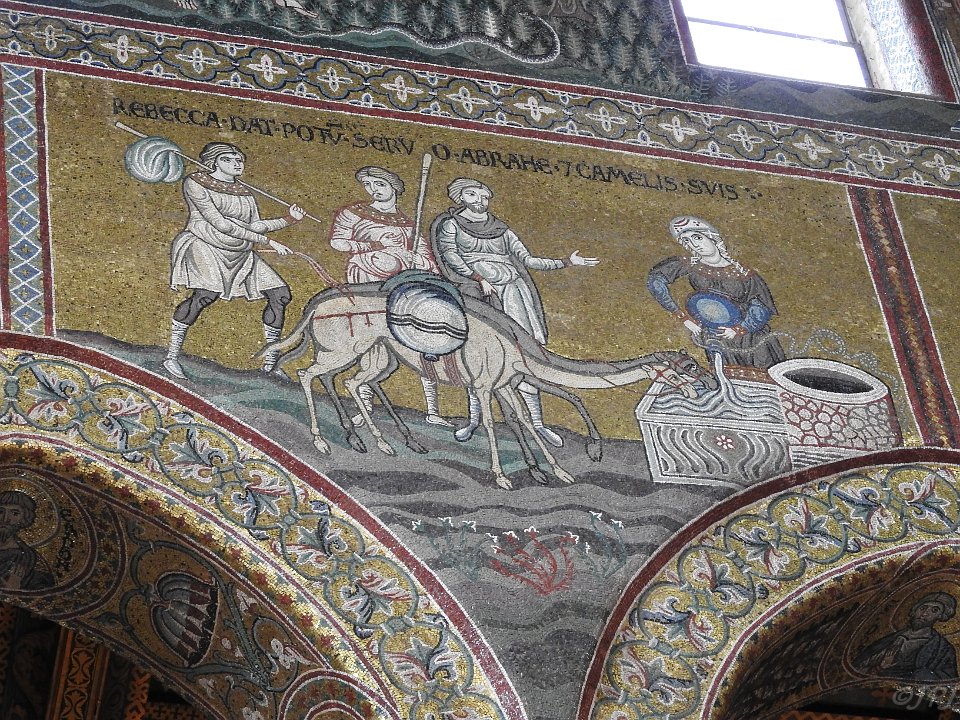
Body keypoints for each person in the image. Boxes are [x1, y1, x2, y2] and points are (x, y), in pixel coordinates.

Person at [431, 177, 599, 447]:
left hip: (513, 292)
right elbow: (450, 255)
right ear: (460, 197)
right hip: (477, 292)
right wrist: (477, 277)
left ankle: (538, 424)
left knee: (525, 355)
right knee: (478, 357)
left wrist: (567, 262)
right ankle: (474, 421)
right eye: (472, 195)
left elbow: (528, 259)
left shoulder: (501, 230)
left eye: (484, 196)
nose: (480, 200)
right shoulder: (452, 224)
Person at [163, 142, 305, 380]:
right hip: (205, 244)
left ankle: (270, 364)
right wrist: (268, 242)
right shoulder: (195, 183)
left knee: (280, 294)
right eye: (228, 159)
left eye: (239, 159)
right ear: (214, 161)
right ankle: (171, 356)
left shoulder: (244, 191)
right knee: (205, 295)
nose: (237, 164)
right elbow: (222, 224)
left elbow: (254, 225)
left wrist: (288, 219)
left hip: (240, 250)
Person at [329, 166, 450, 426]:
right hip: (368, 280)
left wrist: (417, 259)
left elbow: (427, 259)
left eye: (379, 184)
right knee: (372, 340)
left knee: (420, 337)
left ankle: (433, 411)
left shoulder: (409, 223)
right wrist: (374, 246)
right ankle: (364, 406)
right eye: (369, 185)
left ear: (394, 187)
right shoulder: (354, 213)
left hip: (402, 284)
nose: (373, 190)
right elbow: (337, 242)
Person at [647, 216, 785, 373]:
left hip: (751, 338)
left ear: (712, 237)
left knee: (765, 377)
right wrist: (682, 317)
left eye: (697, 237)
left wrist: (740, 329)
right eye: (687, 241)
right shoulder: (692, 265)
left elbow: (761, 305)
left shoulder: (743, 273)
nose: (694, 244)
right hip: (715, 336)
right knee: (726, 378)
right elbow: (656, 280)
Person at [855, 592, 959, 681]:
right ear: (915, 609)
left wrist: (913, 674)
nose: (925, 613)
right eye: (923, 608)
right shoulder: (890, 639)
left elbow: (947, 680)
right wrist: (879, 667)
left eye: (934, 610)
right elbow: (857, 668)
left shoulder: (942, 649)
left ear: (941, 616)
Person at [0, 490, 54, 591]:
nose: (5, 519)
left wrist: (14, 590)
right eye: (1, 512)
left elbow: (43, 594)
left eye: (15, 513)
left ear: (24, 518)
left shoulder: (29, 559)